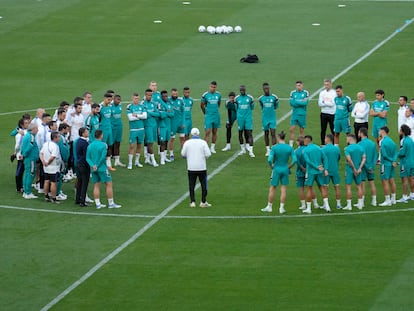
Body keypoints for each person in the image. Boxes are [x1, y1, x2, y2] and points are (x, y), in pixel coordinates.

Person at [261, 131, 296, 214]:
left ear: (278, 137)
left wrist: (271, 166)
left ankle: (269, 206)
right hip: (285, 169)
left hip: (276, 169)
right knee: (283, 189)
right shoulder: (289, 148)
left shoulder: (274, 148)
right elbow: (295, 160)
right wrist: (289, 167)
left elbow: (269, 159)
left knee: (272, 188)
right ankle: (281, 208)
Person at [86, 130, 121, 209]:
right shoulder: (103, 145)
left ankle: (98, 204)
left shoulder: (90, 145)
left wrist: (93, 165)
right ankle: (111, 203)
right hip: (102, 168)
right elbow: (103, 157)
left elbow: (87, 158)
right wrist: (97, 165)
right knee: (108, 184)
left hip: (93, 169)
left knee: (96, 185)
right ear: (101, 135)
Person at [181, 128, 212, 208]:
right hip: (201, 167)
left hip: (191, 167)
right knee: (203, 185)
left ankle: (192, 202)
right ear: (198, 134)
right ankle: (203, 201)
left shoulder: (187, 143)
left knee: (191, 185)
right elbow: (208, 154)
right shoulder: (203, 142)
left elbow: (183, 154)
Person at [302, 135, 330, 214]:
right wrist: (325, 168)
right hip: (319, 171)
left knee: (309, 188)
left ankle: (309, 208)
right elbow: (325, 158)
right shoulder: (319, 148)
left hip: (311, 172)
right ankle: (327, 206)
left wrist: (316, 167)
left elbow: (308, 161)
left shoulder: (305, 150)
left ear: (307, 140)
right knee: (322, 188)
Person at [342, 134, 366, 210]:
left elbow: (349, 160)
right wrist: (359, 168)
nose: (346, 140)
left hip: (349, 170)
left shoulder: (347, 149)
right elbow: (364, 158)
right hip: (358, 169)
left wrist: (354, 169)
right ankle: (360, 204)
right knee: (359, 186)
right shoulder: (361, 148)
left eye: (347, 139)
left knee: (348, 187)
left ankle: (349, 206)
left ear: (350, 139)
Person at [126, 93, 147, 169]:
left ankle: (137, 161)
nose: (136, 100)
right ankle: (130, 163)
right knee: (132, 146)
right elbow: (130, 118)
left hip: (141, 129)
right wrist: (140, 116)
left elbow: (145, 116)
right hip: (133, 129)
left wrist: (137, 115)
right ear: (132, 98)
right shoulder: (129, 107)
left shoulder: (142, 106)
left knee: (139, 145)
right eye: (135, 98)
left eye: (137, 98)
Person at [39, 131, 62, 204]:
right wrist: (48, 163)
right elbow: (53, 157)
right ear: (55, 138)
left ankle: (46, 196)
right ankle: (54, 198)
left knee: (46, 181)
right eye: (58, 137)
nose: (60, 138)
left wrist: (43, 162)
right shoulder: (55, 146)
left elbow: (41, 153)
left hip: (46, 167)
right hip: (53, 167)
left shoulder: (46, 144)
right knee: (53, 183)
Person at [358, 127, 378, 207]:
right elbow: (375, 156)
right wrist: (371, 166)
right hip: (371, 167)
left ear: (361, 133)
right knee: (372, 183)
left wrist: (364, 166)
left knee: (363, 184)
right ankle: (374, 201)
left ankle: (361, 202)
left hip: (363, 167)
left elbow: (360, 157)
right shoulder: (372, 144)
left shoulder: (359, 144)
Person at [378, 126, 397, 206]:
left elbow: (384, 155)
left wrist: (391, 160)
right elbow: (396, 153)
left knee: (384, 182)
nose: (379, 132)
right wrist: (393, 161)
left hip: (385, 164)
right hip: (391, 164)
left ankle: (387, 200)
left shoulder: (383, 142)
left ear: (383, 131)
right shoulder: (392, 141)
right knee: (392, 180)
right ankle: (393, 199)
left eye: (379, 130)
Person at [322, 134, 342, 209]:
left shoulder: (323, 149)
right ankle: (338, 204)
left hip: (326, 171)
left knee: (325, 188)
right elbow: (338, 158)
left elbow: (322, 159)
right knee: (337, 187)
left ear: (327, 139)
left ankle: (325, 204)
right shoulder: (337, 149)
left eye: (325, 138)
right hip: (335, 170)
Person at [259, 82, 279, 156]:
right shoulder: (261, 98)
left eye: (267, 88)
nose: (266, 90)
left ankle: (273, 149)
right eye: (265, 89)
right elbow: (262, 107)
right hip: (265, 118)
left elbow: (276, 106)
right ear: (263, 89)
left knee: (273, 133)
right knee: (266, 133)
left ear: (269, 88)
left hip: (272, 118)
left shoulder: (274, 97)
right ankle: (268, 149)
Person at [201, 81, 221, 153]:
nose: (213, 88)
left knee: (215, 132)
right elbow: (202, 105)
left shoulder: (218, 95)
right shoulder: (205, 95)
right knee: (207, 132)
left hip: (216, 116)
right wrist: (205, 113)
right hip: (208, 116)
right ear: (209, 86)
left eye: (214, 87)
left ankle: (212, 147)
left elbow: (219, 104)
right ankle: (205, 148)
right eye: (212, 87)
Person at [235, 85, 255, 157]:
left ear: (245, 90)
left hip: (248, 118)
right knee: (240, 133)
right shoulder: (237, 99)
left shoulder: (250, 98)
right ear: (240, 91)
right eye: (241, 90)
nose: (242, 91)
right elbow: (236, 108)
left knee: (249, 133)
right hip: (240, 118)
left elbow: (252, 107)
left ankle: (251, 151)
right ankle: (242, 149)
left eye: (243, 90)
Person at [21, 123, 39, 199]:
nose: (37, 130)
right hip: (31, 159)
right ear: (33, 129)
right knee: (30, 175)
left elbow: (23, 146)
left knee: (26, 174)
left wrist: (23, 154)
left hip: (28, 159)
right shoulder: (31, 136)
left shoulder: (27, 136)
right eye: (37, 129)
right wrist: (24, 154)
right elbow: (29, 147)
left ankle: (25, 191)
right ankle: (28, 192)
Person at [397, 124, 414, 203]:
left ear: (403, 131)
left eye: (400, 130)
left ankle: (404, 197)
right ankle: (412, 195)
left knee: (404, 180)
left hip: (405, 163)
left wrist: (396, 155)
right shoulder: (411, 140)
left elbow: (402, 153)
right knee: (411, 179)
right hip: (412, 162)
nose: (399, 131)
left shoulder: (403, 140)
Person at [289, 80, 309, 147]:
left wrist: (296, 102)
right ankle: (291, 144)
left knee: (301, 131)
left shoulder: (305, 93)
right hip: (294, 114)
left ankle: (301, 145)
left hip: (302, 114)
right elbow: (291, 103)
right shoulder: (293, 93)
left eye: (299, 85)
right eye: (297, 85)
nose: (298, 87)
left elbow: (305, 103)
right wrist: (300, 102)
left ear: (302, 85)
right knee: (291, 129)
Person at [143, 88, 160, 167]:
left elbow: (158, 114)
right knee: (150, 143)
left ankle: (147, 159)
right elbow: (144, 115)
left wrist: (150, 113)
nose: (149, 96)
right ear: (145, 95)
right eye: (148, 95)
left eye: (150, 95)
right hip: (147, 126)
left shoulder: (153, 104)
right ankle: (153, 161)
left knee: (151, 142)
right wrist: (152, 113)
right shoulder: (143, 104)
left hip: (154, 125)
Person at [369, 89, 389, 154]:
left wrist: (376, 113)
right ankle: (379, 153)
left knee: (382, 139)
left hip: (382, 124)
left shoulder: (386, 103)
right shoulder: (374, 102)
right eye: (376, 95)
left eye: (378, 95)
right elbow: (371, 114)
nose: (376, 97)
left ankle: (383, 153)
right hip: (375, 123)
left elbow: (383, 115)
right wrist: (379, 113)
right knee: (376, 139)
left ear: (382, 95)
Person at [99, 93, 116, 171]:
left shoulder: (110, 107)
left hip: (109, 130)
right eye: (108, 100)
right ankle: (102, 164)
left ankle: (109, 165)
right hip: (103, 130)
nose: (109, 101)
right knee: (103, 147)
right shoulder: (100, 107)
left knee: (109, 146)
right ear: (104, 98)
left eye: (110, 100)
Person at [168, 88, 185, 161]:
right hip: (172, 123)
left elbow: (183, 112)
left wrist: (183, 122)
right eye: (173, 94)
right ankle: (171, 154)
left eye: (176, 94)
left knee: (182, 139)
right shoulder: (168, 100)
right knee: (172, 139)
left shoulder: (181, 101)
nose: (175, 95)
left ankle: (183, 153)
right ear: (171, 93)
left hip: (180, 123)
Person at [158, 90, 174, 165]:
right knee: (162, 142)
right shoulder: (160, 104)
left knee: (167, 141)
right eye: (164, 96)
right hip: (162, 126)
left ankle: (164, 157)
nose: (166, 97)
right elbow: (161, 115)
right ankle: (161, 159)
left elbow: (172, 114)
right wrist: (167, 113)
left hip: (168, 125)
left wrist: (166, 113)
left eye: (167, 96)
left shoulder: (169, 104)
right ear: (161, 97)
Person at [318, 79, 336, 146]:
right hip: (323, 113)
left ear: (331, 84)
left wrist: (324, 103)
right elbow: (320, 103)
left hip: (332, 114)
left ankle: (333, 143)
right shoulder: (322, 93)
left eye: (327, 84)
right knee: (323, 129)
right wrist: (327, 103)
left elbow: (332, 104)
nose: (326, 86)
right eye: (325, 84)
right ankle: (323, 143)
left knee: (333, 129)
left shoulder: (334, 93)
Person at [75, 127, 90, 207]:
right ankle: (82, 201)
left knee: (80, 182)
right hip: (84, 165)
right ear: (83, 133)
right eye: (87, 132)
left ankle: (77, 199)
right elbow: (86, 155)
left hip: (79, 164)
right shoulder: (84, 143)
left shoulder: (78, 141)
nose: (88, 133)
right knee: (84, 183)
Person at [14, 118, 29, 193]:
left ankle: (20, 186)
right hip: (21, 155)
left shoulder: (24, 132)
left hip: (23, 155)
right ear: (22, 125)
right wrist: (15, 153)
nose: (28, 124)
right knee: (19, 171)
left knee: (22, 171)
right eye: (26, 123)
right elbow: (17, 146)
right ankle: (19, 187)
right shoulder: (20, 135)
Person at [111, 94, 126, 167]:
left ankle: (117, 161)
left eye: (120, 100)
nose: (119, 101)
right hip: (113, 127)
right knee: (110, 144)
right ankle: (108, 161)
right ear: (114, 99)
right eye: (117, 99)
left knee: (118, 143)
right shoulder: (110, 106)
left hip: (119, 127)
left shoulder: (120, 106)